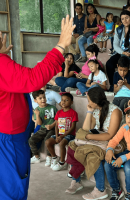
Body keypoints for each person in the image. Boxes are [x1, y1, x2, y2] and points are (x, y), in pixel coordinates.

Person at [0, 15, 74, 199]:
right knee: (12, 189)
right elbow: (32, 79)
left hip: (11, 135)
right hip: (8, 139)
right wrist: (61, 46)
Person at [65, 87, 123, 198]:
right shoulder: (95, 109)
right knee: (72, 145)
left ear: (96, 101)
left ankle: (101, 190)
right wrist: (89, 111)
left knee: (92, 154)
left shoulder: (115, 111)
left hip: (114, 142)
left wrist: (87, 136)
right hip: (97, 137)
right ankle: (76, 180)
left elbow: (110, 135)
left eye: (89, 100)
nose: (88, 102)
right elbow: (86, 128)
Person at [106, 10, 130, 89]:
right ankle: (113, 86)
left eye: (127, 18)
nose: (125, 20)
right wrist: (123, 52)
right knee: (109, 64)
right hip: (122, 53)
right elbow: (115, 45)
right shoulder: (118, 29)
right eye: (123, 19)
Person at [45, 93, 78, 171]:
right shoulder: (59, 112)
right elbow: (56, 125)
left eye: (66, 100)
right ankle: (54, 157)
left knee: (62, 143)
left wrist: (62, 137)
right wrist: (57, 136)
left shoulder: (73, 113)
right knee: (47, 142)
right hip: (59, 134)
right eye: (62, 100)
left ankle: (62, 162)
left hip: (69, 135)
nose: (63, 102)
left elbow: (73, 128)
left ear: (71, 102)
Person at [29, 90, 58, 164]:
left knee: (47, 140)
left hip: (52, 128)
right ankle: (36, 157)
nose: (43, 99)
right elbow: (39, 123)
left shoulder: (52, 107)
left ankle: (49, 157)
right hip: (42, 129)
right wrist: (37, 115)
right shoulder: (37, 110)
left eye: (44, 97)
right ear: (35, 100)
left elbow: (58, 119)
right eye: (40, 98)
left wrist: (52, 125)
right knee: (31, 140)